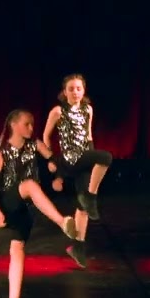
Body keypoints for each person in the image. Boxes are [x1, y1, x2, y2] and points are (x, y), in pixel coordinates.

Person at [0, 109, 80, 298]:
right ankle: (62, 222)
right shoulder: (3, 151)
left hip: (27, 208)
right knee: (29, 185)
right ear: (14, 125)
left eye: (32, 124)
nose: (31, 128)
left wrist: (57, 173)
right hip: (10, 201)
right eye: (26, 124)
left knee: (17, 249)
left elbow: (54, 159)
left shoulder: (35, 144)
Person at [42, 74, 114, 269]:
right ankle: (91, 196)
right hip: (69, 159)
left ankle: (78, 247)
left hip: (84, 158)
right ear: (64, 92)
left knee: (82, 207)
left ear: (84, 91)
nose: (75, 92)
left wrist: (91, 161)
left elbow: (88, 136)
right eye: (71, 89)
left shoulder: (88, 109)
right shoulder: (58, 111)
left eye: (78, 88)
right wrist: (51, 159)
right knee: (106, 157)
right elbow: (46, 136)